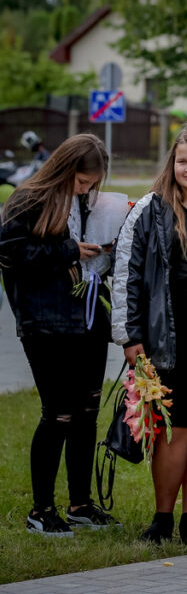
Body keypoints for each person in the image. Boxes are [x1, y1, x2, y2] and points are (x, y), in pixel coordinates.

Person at [111, 124, 187, 543]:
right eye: (182, 160)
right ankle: (162, 518)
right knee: (175, 427)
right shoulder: (150, 209)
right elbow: (127, 273)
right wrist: (129, 336)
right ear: (172, 163)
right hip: (166, 336)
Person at [0, 133, 117, 537]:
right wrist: (68, 251)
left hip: (88, 316)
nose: (84, 190)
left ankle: (80, 504)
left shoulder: (87, 202)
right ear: (65, 169)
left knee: (87, 410)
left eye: (91, 184)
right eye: (81, 182)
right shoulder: (28, 198)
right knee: (58, 413)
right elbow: (11, 254)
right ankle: (41, 510)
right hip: (45, 321)